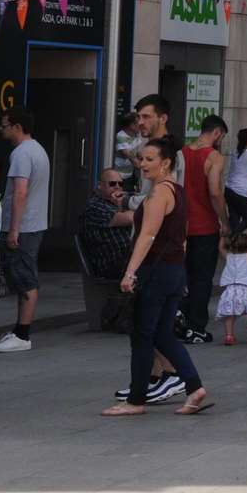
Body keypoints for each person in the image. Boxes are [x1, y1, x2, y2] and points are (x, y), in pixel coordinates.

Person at [102, 135, 213, 416]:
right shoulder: (177, 191)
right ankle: (195, 386)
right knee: (163, 334)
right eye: (141, 158)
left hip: (156, 273)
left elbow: (147, 236)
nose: (142, 164)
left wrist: (130, 272)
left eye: (149, 159)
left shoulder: (158, 194)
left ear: (165, 163)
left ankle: (136, 400)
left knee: (142, 335)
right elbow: (182, 237)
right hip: (173, 272)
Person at [0, 108, 50, 353]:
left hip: (23, 227)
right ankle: (18, 330)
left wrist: (13, 229)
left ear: (17, 126)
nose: (0, 129)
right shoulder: (37, 149)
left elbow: (20, 192)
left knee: (24, 278)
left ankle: (23, 335)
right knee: (23, 276)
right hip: (32, 225)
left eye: (4, 125)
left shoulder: (22, 154)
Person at [177, 115, 230, 344]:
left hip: (181, 224)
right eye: (222, 137)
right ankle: (196, 327)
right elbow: (215, 192)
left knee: (183, 276)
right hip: (205, 225)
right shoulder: (214, 157)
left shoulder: (181, 153)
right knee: (202, 278)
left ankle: (180, 321)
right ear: (217, 132)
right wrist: (224, 220)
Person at [129, 95, 182, 211]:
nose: (140, 122)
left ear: (163, 118)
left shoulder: (172, 150)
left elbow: (164, 195)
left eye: (146, 117)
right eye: (138, 117)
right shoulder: (149, 147)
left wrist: (127, 201)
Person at [81, 170, 135, 280]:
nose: (117, 187)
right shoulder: (95, 206)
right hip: (112, 264)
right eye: (112, 184)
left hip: (125, 259)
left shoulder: (113, 203)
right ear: (100, 185)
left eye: (120, 184)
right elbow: (130, 218)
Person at [215, 231, 247, 346]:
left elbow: (220, 247)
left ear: (231, 246)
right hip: (245, 290)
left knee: (229, 315)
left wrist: (222, 236)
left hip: (230, 291)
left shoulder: (228, 256)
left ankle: (229, 335)